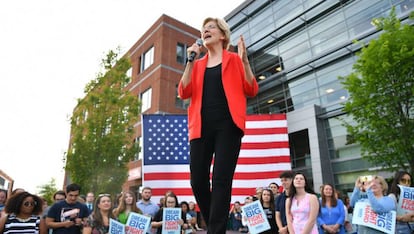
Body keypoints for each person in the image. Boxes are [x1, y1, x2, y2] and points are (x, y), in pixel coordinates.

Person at [177, 16, 258, 233]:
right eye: (203, 29)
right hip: (201, 126)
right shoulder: (197, 64)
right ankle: (216, 225)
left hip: (228, 126)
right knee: (197, 180)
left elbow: (251, 89)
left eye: (211, 27)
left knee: (221, 179)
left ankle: (215, 230)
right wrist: (190, 60)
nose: (206, 31)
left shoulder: (233, 60)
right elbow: (183, 91)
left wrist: (245, 61)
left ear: (222, 35)